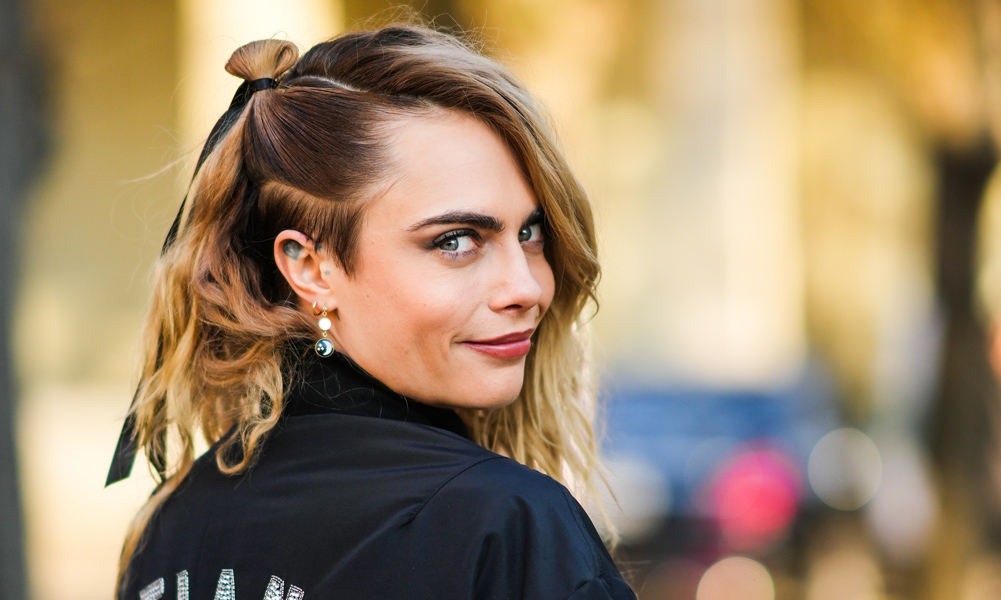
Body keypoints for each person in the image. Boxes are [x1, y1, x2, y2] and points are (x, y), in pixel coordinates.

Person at [106, 22, 637, 600]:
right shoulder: (502, 523)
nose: (527, 287)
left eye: (531, 232)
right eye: (456, 241)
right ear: (311, 268)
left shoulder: (170, 533)